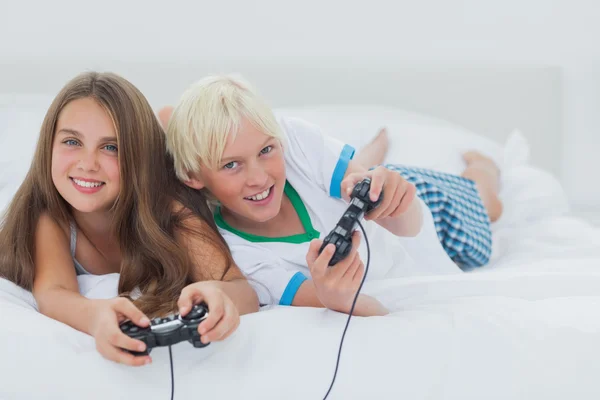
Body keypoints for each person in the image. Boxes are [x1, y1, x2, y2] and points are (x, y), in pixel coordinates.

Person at [159, 74, 504, 317]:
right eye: (231, 165)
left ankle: (484, 172)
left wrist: (388, 193)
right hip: (392, 247)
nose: (258, 177)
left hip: (410, 209)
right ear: (192, 176)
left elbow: (375, 196)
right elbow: (351, 305)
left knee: (485, 209)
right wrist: (333, 297)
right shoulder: (242, 258)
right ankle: (376, 152)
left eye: (266, 150)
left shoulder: (292, 140)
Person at [0, 72, 259, 367]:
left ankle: (166, 120)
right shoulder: (50, 216)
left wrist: (219, 295)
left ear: (138, 156)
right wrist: (96, 316)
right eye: (72, 141)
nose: (87, 164)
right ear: (48, 145)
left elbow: (241, 290)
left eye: (111, 147)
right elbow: (53, 293)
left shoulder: (170, 209)